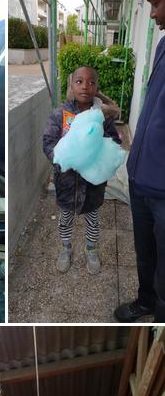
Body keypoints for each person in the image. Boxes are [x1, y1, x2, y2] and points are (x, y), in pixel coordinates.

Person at [42, 66, 122, 274]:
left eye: (91, 82)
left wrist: (100, 156)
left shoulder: (102, 117)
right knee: (65, 219)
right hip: (67, 183)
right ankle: (65, 248)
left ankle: (91, 250)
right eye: (79, 81)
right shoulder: (60, 114)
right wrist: (61, 159)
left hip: (92, 187)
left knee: (93, 220)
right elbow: (48, 142)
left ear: (97, 88)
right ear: (71, 85)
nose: (85, 86)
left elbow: (113, 141)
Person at [115, 0, 165, 322]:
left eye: (158, 3)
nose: (152, 14)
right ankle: (145, 301)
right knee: (144, 255)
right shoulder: (162, 46)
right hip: (140, 177)